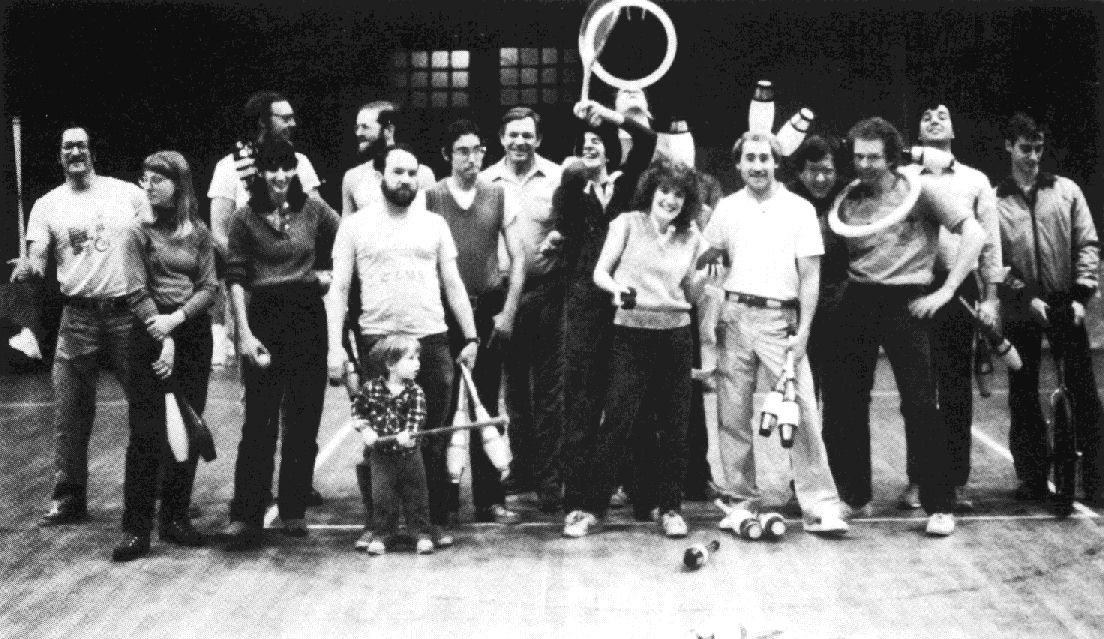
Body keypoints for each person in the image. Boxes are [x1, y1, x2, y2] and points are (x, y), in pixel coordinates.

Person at [822, 117, 986, 537]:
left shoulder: (922, 191)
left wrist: (946, 291)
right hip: (858, 298)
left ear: (892, 157)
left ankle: (940, 504)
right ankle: (852, 496)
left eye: (874, 157)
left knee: (920, 403)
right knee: (844, 402)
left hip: (907, 301)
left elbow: (974, 234)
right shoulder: (847, 199)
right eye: (859, 157)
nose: (865, 165)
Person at [326, 143, 479, 548]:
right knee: (380, 438)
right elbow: (339, 288)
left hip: (431, 339)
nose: (406, 180)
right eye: (398, 172)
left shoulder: (434, 224)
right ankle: (380, 524)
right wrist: (334, 347)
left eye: (413, 173)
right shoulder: (355, 226)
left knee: (430, 437)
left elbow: (453, 284)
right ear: (381, 177)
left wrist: (471, 336)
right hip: (378, 341)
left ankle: (430, 522)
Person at [698, 132, 850, 537]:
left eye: (764, 158)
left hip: (780, 322)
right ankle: (740, 501)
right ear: (738, 165)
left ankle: (820, 506)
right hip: (734, 317)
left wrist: (804, 331)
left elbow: (810, 276)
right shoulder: (727, 208)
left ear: (777, 163)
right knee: (732, 415)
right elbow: (706, 257)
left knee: (801, 411)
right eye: (749, 158)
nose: (757, 166)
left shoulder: (799, 209)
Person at [11, 125, 153, 527]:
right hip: (77, 319)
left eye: (81, 145)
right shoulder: (47, 205)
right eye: (68, 147)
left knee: (147, 404)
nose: (75, 152)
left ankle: (159, 490)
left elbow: (157, 236)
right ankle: (69, 496)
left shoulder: (126, 193)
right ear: (60, 155)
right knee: (70, 412)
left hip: (128, 314)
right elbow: (38, 256)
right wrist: (29, 266)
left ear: (92, 151)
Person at [561, 159, 705, 539]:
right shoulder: (625, 223)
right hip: (630, 333)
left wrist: (707, 279)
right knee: (618, 421)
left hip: (676, 335)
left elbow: (691, 293)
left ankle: (670, 508)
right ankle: (591, 509)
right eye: (665, 191)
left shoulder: (692, 236)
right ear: (651, 191)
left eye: (679, 194)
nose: (671, 199)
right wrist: (616, 289)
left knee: (675, 425)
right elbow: (600, 273)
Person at [223, 138, 339, 547]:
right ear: (260, 172)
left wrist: (328, 273)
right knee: (259, 421)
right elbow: (235, 278)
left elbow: (348, 241)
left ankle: (293, 508)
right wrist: (244, 334)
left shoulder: (315, 210)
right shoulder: (243, 218)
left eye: (286, 167)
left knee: (304, 418)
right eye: (271, 168)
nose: (279, 176)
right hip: (265, 319)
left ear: (295, 170)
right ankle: (246, 514)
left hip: (308, 317)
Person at [552, 99, 656, 527]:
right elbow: (566, 229)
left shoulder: (630, 185)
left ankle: (644, 496)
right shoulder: (570, 191)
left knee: (631, 404)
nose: (590, 146)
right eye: (583, 142)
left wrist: (608, 115)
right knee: (581, 403)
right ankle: (578, 499)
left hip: (626, 306)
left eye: (597, 141)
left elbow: (646, 139)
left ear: (610, 149)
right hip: (583, 309)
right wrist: (573, 180)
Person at [112, 151, 218, 561]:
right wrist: (164, 334)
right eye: (146, 178)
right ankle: (135, 530)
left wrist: (176, 322)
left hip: (191, 333)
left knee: (187, 429)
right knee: (145, 432)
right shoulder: (135, 232)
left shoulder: (199, 232)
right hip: (149, 332)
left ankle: (175, 519)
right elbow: (136, 291)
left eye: (158, 178)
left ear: (179, 184)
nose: (149, 185)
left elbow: (208, 287)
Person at [995, 112, 1102, 505]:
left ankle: (1097, 479)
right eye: (1025, 148)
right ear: (1009, 147)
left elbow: (1087, 245)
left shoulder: (1067, 191)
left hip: (1063, 301)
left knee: (1084, 392)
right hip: (1021, 306)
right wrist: (1026, 298)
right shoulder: (995, 200)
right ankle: (1032, 478)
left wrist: (1079, 297)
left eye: (1039, 148)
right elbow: (995, 262)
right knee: (1023, 394)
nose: (1033, 156)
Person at [898, 104, 1002, 512]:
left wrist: (990, 298)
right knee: (917, 389)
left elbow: (989, 242)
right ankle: (918, 478)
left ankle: (956, 481)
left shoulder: (976, 180)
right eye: (926, 115)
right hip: (916, 285)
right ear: (918, 132)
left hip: (960, 289)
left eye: (942, 114)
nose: (934, 118)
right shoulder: (904, 177)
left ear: (954, 128)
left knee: (956, 387)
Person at [427, 119, 525, 524]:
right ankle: (444, 502)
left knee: (486, 399)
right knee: (445, 404)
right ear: (447, 155)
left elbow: (519, 257)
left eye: (478, 150)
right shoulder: (430, 197)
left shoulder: (500, 194)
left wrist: (508, 312)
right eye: (463, 150)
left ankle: (490, 499)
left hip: (488, 309)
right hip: (443, 312)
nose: (472, 158)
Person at [480, 107, 565, 510]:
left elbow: (573, 223)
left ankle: (551, 479)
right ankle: (523, 469)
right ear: (501, 138)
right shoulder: (485, 182)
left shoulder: (557, 177)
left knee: (550, 391)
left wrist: (559, 237)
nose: (520, 142)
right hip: (503, 296)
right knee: (514, 390)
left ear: (539, 139)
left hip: (548, 293)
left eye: (527, 135)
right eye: (513, 134)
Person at [207, 91, 320, 370]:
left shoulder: (301, 163)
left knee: (301, 373)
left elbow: (319, 222)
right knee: (257, 372)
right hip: (250, 288)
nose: (293, 123)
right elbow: (219, 232)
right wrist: (253, 270)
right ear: (262, 122)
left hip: (297, 287)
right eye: (285, 118)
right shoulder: (229, 167)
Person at [350, 336, 436, 555]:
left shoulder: (415, 391)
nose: (417, 363)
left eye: (418, 358)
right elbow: (358, 411)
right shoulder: (370, 389)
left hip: (410, 456)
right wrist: (366, 430)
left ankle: (421, 534)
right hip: (381, 457)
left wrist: (410, 433)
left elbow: (418, 417)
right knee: (382, 496)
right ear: (390, 364)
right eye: (411, 358)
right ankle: (383, 535)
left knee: (416, 495)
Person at [786, 135, 849, 401]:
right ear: (800, 171)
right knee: (802, 394)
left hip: (841, 308)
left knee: (840, 394)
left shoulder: (849, 196)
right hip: (796, 308)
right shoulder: (786, 200)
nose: (820, 178)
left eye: (828, 171)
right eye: (813, 170)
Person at [341, 100, 436, 216]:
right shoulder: (353, 177)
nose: (358, 133)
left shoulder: (423, 174)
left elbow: (433, 221)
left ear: (389, 130)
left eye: (365, 127)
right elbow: (346, 225)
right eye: (357, 127)